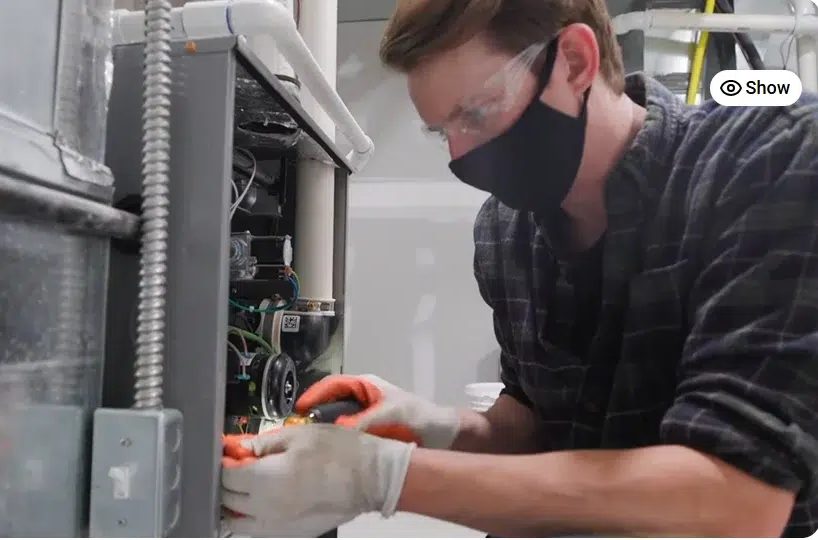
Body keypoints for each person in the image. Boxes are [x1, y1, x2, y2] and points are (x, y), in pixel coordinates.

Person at [220, 0, 818, 536]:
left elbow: (738, 500)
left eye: (475, 114)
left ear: (577, 62)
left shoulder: (766, 162)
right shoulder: (507, 234)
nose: (460, 154)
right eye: (442, 131)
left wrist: (383, 479)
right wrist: (426, 425)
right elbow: (532, 430)